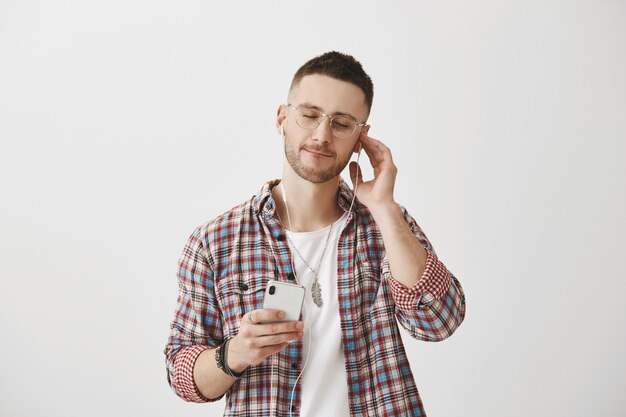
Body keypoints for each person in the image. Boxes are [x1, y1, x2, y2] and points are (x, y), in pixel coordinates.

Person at [164, 51, 466, 417]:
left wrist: (385, 207)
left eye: (341, 123)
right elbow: (183, 378)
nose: (322, 135)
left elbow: (439, 321)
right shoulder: (216, 241)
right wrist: (237, 353)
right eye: (309, 115)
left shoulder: (383, 224)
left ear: (361, 137)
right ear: (282, 119)